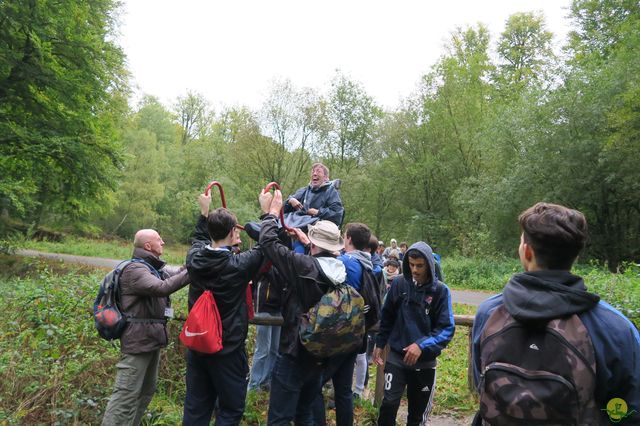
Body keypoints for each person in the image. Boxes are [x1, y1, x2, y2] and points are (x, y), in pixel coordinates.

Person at [471, 202, 640, 425]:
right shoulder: (615, 328)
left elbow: (480, 382)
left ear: (527, 251)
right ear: (576, 256)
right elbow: (628, 411)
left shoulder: (489, 313)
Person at [258, 188, 346, 425]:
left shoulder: (304, 267)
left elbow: (267, 243)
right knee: (304, 414)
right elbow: (318, 261)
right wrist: (308, 243)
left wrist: (272, 214)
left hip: (294, 354)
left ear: (314, 245)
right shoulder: (340, 270)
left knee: (279, 417)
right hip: (318, 356)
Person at [182, 193, 264, 425]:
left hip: (198, 345)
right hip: (227, 350)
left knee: (196, 407)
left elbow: (198, 239)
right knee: (230, 408)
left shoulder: (194, 259)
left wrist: (203, 213)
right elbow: (266, 246)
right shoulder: (238, 265)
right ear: (232, 233)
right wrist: (267, 214)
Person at [102, 229, 190, 426]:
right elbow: (162, 288)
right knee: (125, 396)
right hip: (137, 343)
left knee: (145, 392)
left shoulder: (153, 268)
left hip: (150, 341)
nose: (163, 243)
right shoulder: (135, 270)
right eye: (159, 240)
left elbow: (178, 274)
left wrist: (199, 261)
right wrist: (195, 271)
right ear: (148, 246)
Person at [373, 242, 455, 426]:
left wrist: (421, 345)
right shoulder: (399, 284)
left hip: (424, 363)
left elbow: (446, 329)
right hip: (396, 357)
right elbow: (387, 316)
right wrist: (380, 344)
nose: (415, 270)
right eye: (411, 264)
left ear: (429, 265)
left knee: (417, 416)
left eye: (420, 265)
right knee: (389, 404)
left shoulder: (441, 291)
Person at [313, 223, 376, 425]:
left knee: (314, 386)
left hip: (337, 332)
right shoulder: (367, 263)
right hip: (354, 333)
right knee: (343, 390)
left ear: (348, 239)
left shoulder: (346, 262)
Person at [248, 266, 283, 392]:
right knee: (263, 349)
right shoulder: (265, 259)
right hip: (264, 305)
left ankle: (265, 381)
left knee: (274, 348)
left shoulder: (284, 259)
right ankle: (253, 386)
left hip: (279, 308)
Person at [284, 162, 344, 229]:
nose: (314, 174)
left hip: (315, 229)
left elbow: (337, 214)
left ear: (326, 178)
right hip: (296, 223)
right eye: (313, 172)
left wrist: (318, 212)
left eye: (318, 172)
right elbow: (284, 209)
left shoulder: (331, 192)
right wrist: (290, 200)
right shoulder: (304, 191)